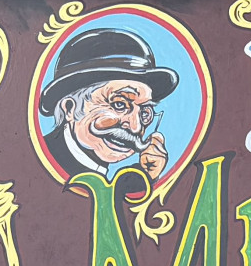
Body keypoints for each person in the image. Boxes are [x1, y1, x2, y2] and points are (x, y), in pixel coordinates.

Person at [39, 26, 178, 183]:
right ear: (70, 108)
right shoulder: (36, 164)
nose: (135, 127)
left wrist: (145, 177)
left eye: (144, 113)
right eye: (119, 105)